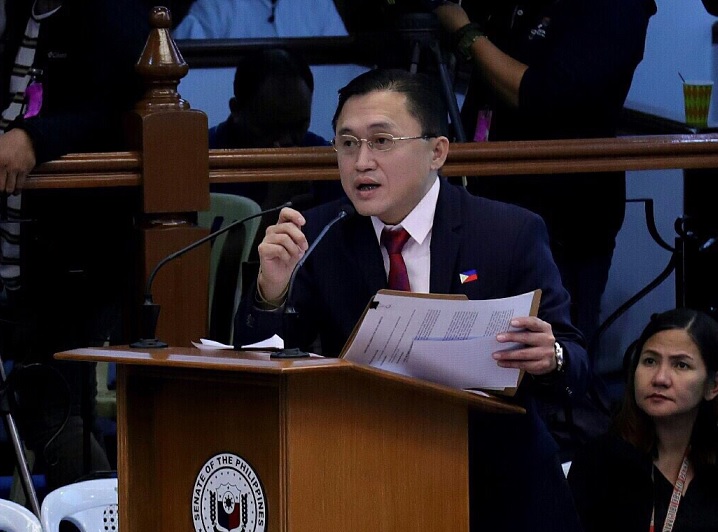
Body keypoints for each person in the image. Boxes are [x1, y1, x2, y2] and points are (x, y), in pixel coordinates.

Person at [234, 67, 589, 531]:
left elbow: (577, 368)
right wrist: (272, 291)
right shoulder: (317, 234)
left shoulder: (509, 233)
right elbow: (260, 365)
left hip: (497, 487)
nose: (361, 161)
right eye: (347, 143)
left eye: (381, 141)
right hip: (369, 481)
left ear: (436, 151)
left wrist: (552, 356)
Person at [432, 0, 656, 354]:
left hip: (563, 215)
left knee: (552, 347)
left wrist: (464, 31)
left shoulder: (615, 7)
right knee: (475, 344)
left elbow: (548, 97)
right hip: (482, 205)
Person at [0, 0, 150, 490]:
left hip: (74, 251)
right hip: (15, 242)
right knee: (40, 399)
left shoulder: (111, 11)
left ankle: (101, 511)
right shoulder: (24, 11)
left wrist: (33, 137)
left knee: (54, 402)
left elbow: (114, 109)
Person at [568, 307, 718, 531]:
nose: (660, 378)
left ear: (713, 386)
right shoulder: (598, 462)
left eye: (681, 365)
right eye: (649, 361)